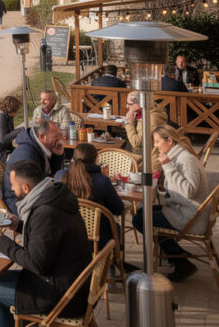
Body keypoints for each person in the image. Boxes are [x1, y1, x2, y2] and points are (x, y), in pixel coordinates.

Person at [0, 160, 94, 327]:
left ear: (26, 188)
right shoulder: (53, 197)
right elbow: (49, 238)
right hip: (66, 282)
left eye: (13, 185)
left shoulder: (45, 212)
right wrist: (20, 225)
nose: (12, 189)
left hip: (62, 295)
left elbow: (36, 263)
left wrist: (0, 241)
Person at [132, 125, 209, 281]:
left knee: (140, 219)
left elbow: (189, 191)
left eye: (157, 141)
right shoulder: (177, 156)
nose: (155, 146)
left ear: (170, 141)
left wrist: (167, 166)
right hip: (183, 210)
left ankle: (180, 260)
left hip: (190, 217)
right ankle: (175, 254)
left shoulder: (185, 159)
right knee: (142, 213)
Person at [55, 143, 125, 245]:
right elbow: (119, 209)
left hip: (67, 239)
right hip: (98, 242)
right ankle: (116, 254)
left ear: (73, 158)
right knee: (115, 227)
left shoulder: (60, 176)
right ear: (96, 159)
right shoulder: (102, 181)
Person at [2, 120, 65, 214]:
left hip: (33, 194)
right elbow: (29, 191)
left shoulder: (40, 146)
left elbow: (51, 173)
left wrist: (57, 156)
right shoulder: (27, 155)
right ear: (42, 136)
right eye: (55, 136)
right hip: (18, 202)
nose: (59, 138)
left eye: (59, 134)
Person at [123, 95, 169, 173]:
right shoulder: (144, 113)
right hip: (143, 155)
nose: (127, 106)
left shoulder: (151, 119)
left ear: (140, 103)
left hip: (149, 162)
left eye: (130, 104)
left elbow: (136, 142)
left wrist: (129, 123)